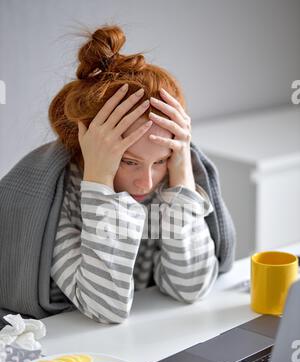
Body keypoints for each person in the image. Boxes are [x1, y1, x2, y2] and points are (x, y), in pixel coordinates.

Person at [0, 24, 236, 328]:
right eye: (129, 161)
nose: (147, 183)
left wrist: (181, 172)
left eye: (161, 160)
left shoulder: (168, 180)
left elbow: (191, 288)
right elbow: (106, 309)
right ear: (89, 148)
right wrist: (99, 187)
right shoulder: (58, 198)